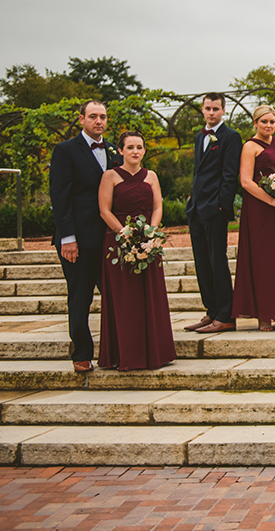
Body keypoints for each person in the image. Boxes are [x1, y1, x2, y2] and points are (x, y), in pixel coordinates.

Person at [49, 100, 120, 373]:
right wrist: (67, 237)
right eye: (93, 117)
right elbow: (60, 196)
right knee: (80, 297)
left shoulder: (114, 150)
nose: (98, 121)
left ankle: (114, 351)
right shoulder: (66, 151)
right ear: (81, 119)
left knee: (115, 296)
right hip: (77, 240)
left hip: (108, 239)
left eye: (102, 117)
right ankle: (81, 353)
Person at [96, 131, 176, 371]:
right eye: (130, 147)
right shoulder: (110, 176)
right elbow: (104, 210)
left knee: (149, 296)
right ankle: (126, 354)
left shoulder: (151, 176)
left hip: (147, 243)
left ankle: (154, 353)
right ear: (120, 151)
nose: (135, 151)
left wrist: (150, 233)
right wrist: (124, 233)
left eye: (139, 147)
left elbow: (158, 205)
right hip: (119, 241)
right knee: (125, 299)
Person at [231, 105, 275, 331]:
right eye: (264, 122)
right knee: (263, 260)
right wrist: (270, 200)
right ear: (255, 122)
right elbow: (246, 181)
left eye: (272, 122)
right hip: (259, 209)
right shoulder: (249, 147)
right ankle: (263, 314)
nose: (268, 126)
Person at [184, 93, 243, 334]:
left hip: (215, 208)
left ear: (223, 110)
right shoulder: (200, 137)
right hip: (196, 208)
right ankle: (211, 311)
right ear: (202, 109)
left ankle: (226, 315)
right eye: (207, 108)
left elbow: (230, 175)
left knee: (217, 260)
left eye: (215, 108)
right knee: (202, 261)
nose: (211, 112)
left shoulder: (231, 137)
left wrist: (222, 205)